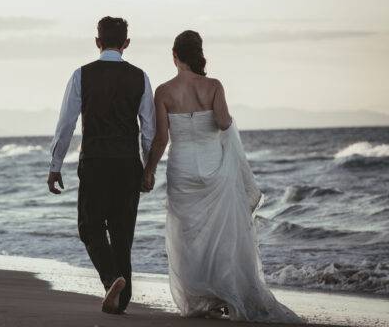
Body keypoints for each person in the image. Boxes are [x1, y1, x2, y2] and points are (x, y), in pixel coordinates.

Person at [141, 30, 302, 323]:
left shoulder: (164, 91)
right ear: (198, 54)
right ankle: (223, 292)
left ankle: (201, 298)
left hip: (183, 168)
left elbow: (161, 140)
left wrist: (148, 169)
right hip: (215, 167)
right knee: (221, 234)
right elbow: (223, 122)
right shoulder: (214, 86)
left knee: (187, 236)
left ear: (175, 56)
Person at [47, 16, 155, 314]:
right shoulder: (140, 77)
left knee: (89, 228)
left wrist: (55, 165)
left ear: (97, 42)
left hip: (95, 163)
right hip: (127, 164)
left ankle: (111, 280)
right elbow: (149, 131)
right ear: (126, 43)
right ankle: (121, 297)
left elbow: (66, 123)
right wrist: (149, 168)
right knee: (122, 234)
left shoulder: (81, 75)